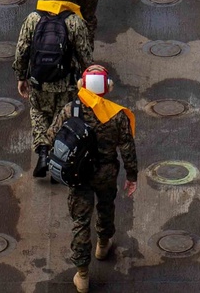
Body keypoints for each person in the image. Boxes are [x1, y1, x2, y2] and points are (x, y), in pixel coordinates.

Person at [49, 64, 137, 292]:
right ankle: (103, 244)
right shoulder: (117, 115)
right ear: (108, 88)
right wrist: (132, 175)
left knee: (80, 222)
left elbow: (52, 137)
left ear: (81, 86)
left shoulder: (70, 110)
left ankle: (83, 276)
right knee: (106, 206)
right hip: (106, 173)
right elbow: (127, 147)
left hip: (79, 175)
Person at [14, 0, 93, 178]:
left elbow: (22, 50)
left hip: (39, 81)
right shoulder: (75, 21)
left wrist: (21, 77)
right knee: (63, 120)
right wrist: (87, 80)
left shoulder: (33, 19)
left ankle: (42, 153)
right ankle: (60, 162)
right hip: (66, 83)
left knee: (39, 114)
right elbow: (85, 55)